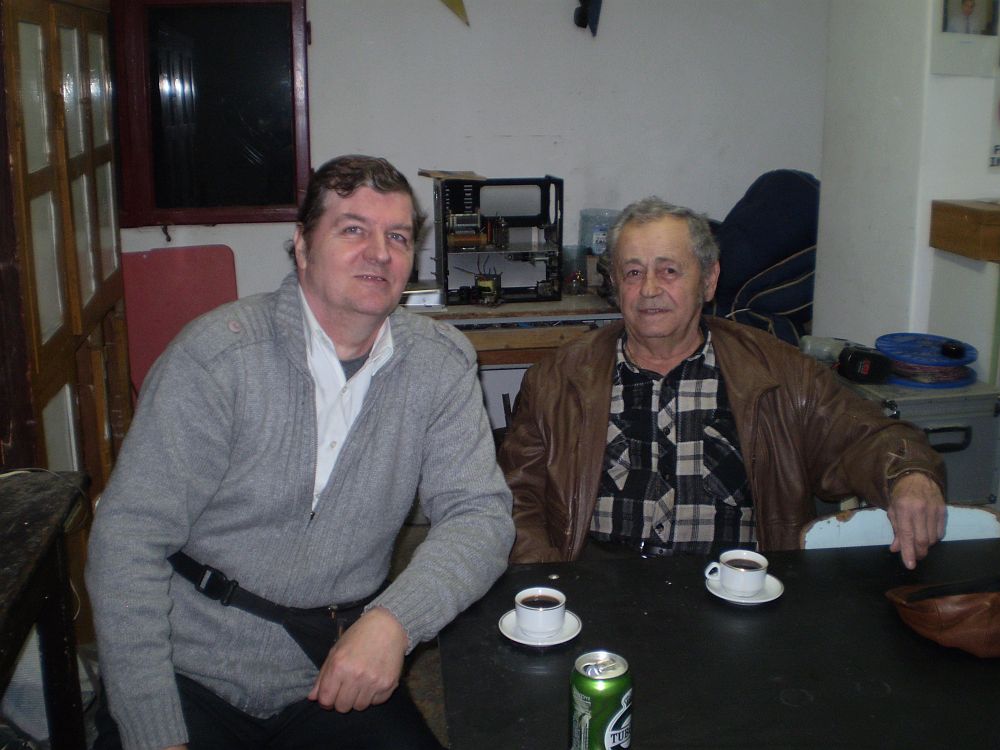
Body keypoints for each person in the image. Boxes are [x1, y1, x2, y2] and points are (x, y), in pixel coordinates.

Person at [86, 155, 515, 749]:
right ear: (303, 246)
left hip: (331, 669)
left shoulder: (440, 364)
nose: (379, 253)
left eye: (396, 237)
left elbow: (481, 516)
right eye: (353, 229)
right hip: (189, 672)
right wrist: (153, 729)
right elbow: (126, 541)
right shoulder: (217, 359)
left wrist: (394, 621)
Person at [500, 196, 946, 569]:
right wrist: (552, 581)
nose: (649, 289)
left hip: (736, 589)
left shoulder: (780, 374)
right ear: (616, 284)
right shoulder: (558, 380)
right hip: (598, 589)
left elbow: (866, 437)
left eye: (669, 270)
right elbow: (516, 497)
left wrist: (908, 475)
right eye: (633, 273)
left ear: (709, 280)